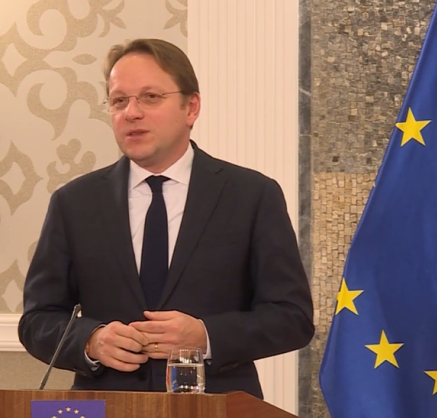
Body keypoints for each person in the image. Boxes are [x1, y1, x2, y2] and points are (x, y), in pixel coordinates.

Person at [18, 38, 314, 398]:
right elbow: (37, 320)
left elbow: (292, 317)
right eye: (119, 101)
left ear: (191, 107)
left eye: (150, 97)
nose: (131, 113)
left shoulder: (251, 195)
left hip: (217, 406)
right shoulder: (75, 203)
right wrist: (91, 340)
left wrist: (206, 336)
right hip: (104, 405)